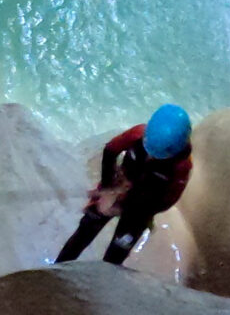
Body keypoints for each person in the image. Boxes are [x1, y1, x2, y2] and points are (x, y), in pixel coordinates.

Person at [55, 104, 193, 266]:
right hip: (115, 188)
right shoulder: (137, 135)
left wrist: (129, 205)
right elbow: (110, 151)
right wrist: (107, 187)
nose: (150, 157)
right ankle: (56, 269)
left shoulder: (181, 168)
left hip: (141, 208)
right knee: (83, 233)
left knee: (116, 255)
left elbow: (165, 202)